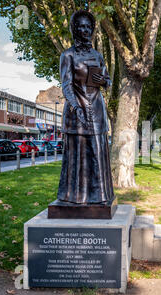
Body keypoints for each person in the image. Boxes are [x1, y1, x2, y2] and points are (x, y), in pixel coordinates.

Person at [56, 10, 114, 205]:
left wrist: (105, 81)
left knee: (97, 152)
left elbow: (106, 81)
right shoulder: (68, 55)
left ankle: (99, 197)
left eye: (88, 27)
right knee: (78, 156)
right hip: (77, 111)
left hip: (96, 110)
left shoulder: (97, 56)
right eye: (81, 26)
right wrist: (75, 107)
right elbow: (66, 85)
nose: (85, 30)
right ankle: (75, 197)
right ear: (75, 29)